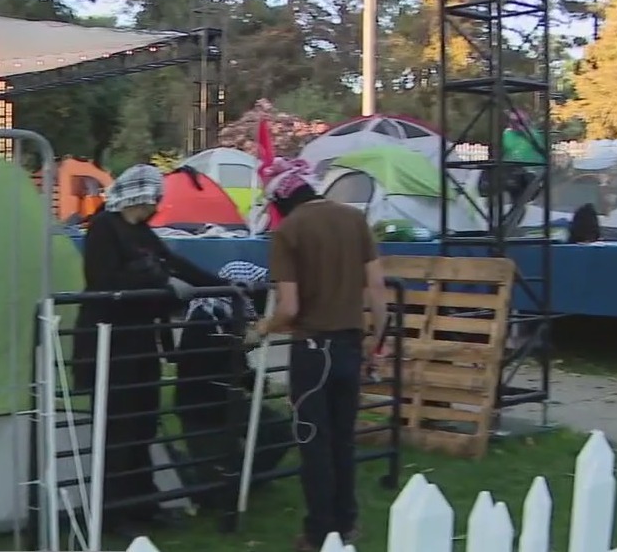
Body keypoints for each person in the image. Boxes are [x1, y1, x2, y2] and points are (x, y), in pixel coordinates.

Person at [71, 164, 228, 537]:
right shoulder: (104, 228)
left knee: (143, 423)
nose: (156, 205)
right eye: (153, 197)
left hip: (140, 339)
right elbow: (104, 281)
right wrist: (159, 281)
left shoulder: (141, 232)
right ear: (138, 196)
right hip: (111, 341)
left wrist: (222, 284)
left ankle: (143, 502)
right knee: (119, 428)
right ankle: (112, 512)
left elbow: (174, 263)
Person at [252, 158, 389, 551]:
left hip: (312, 351)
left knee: (314, 443)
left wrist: (262, 328)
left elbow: (289, 307)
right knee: (343, 441)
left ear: (281, 202)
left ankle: (319, 533)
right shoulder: (354, 219)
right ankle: (346, 524)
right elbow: (377, 289)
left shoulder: (288, 231)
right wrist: (377, 343)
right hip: (349, 345)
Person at [174, 261, 291, 506]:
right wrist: (238, 344)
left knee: (279, 431)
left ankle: (247, 479)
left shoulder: (226, 317)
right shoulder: (205, 316)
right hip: (203, 410)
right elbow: (207, 362)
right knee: (213, 490)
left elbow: (236, 366)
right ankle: (186, 470)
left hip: (228, 401)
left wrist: (259, 382)